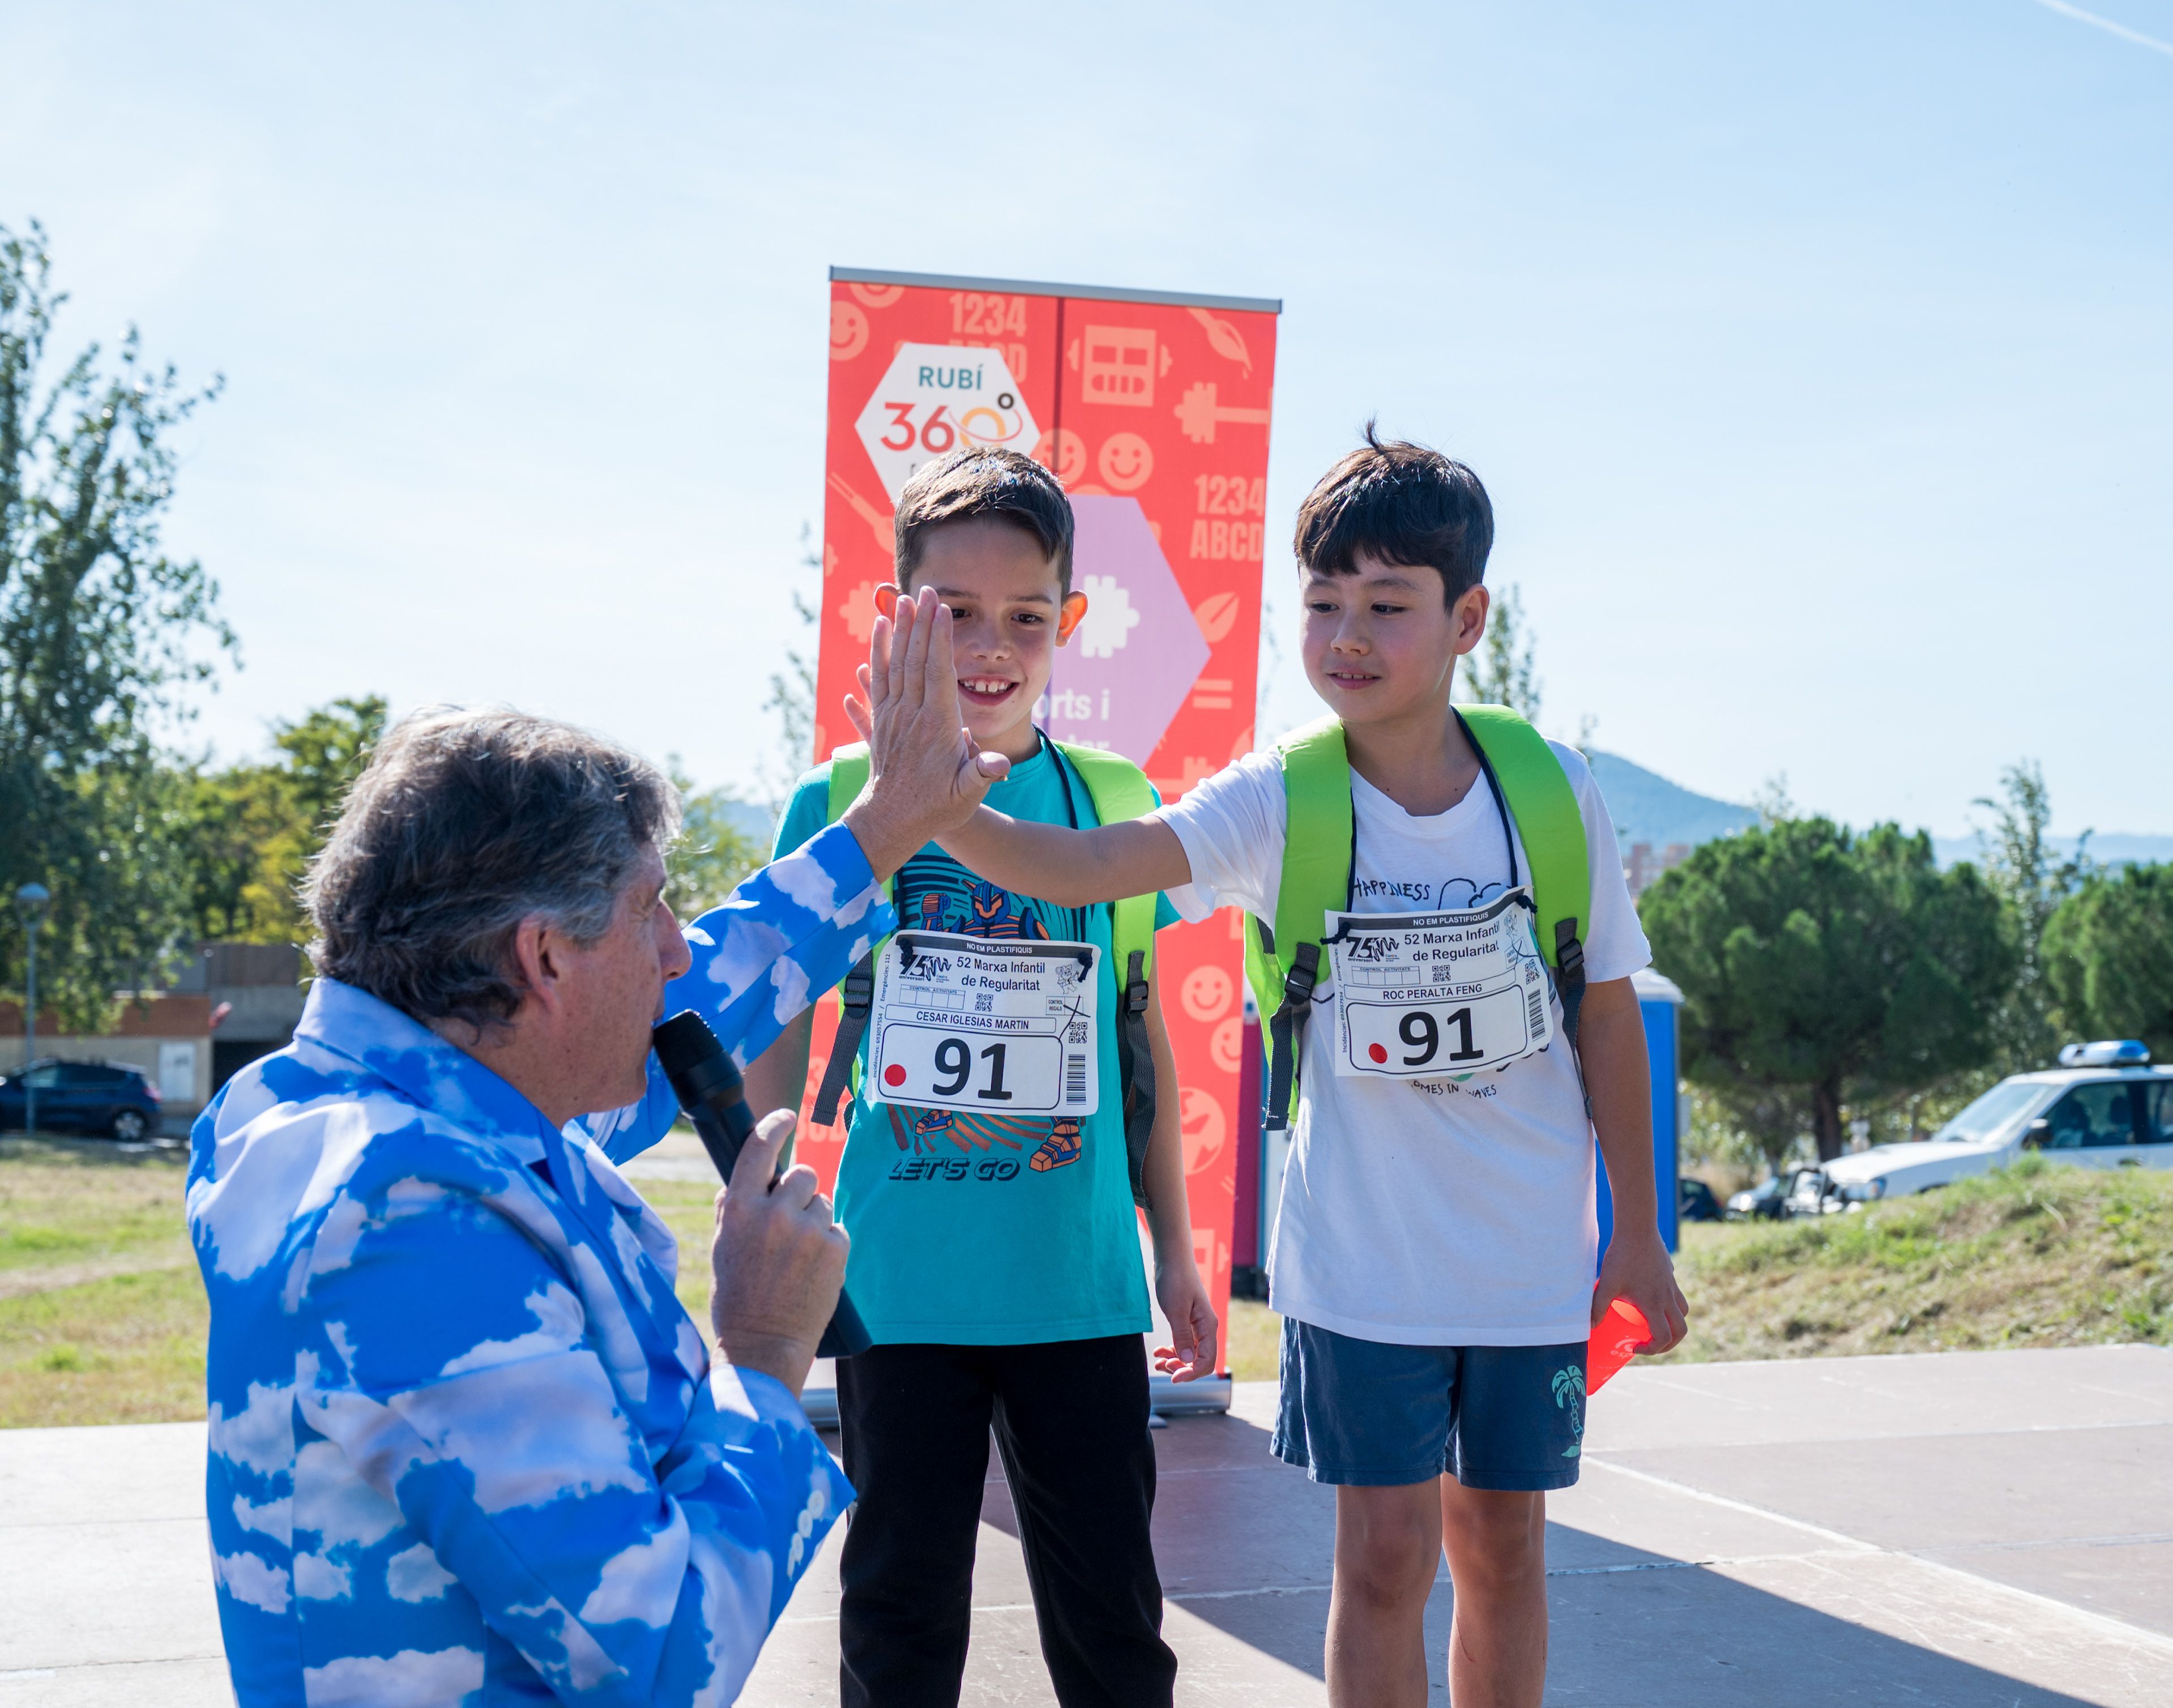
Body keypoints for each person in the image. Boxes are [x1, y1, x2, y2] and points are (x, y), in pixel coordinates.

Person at [892, 428, 1691, 1707]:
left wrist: (1638, 1232)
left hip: (1526, 1258)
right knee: (1380, 1557)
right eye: (1322, 605)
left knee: (1501, 1547)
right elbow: (1103, 866)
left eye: (1386, 604)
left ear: (1466, 615)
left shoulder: (1549, 789)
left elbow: (1602, 1009)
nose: (1346, 636)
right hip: (1360, 1265)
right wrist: (931, 811)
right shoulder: (1280, 797)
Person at [187, 592, 1002, 1706]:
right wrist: (762, 1349)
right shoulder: (408, 1218)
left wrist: (881, 829)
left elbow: (700, 984)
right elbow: (662, 1655)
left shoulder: (391, 1102)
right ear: (542, 957)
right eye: (650, 909)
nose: (676, 950)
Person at [745, 447, 1216, 1708]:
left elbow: (1138, 1035)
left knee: (1114, 1626)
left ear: (1067, 623)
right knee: (896, 1619)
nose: (988, 644)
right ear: (901, 615)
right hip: (897, 1287)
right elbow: (776, 1017)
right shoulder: (836, 796)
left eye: (1022, 615)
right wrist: (767, 1198)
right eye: (953, 612)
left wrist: (1173, 1245)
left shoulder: (1110, 799)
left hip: (1077, 1285)